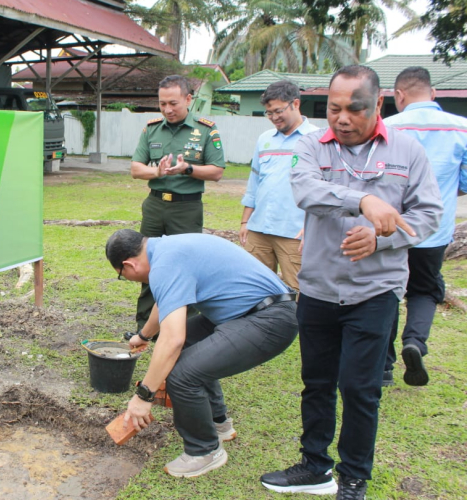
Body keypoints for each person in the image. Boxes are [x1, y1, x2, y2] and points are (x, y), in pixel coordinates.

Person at [260, 65, 443, 500]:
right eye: (334, 108)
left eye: (354, 109)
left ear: (378, 103)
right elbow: (306, 191)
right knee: (317, 383)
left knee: (361, 390)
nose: (342, 119)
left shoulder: (407, 151)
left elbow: (428, 214)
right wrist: (363, 200)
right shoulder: (311, 146)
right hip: (318, 289)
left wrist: (381, 238)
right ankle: (314, 466)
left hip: (374, 292)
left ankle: (354, 478)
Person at [106, 229, 298, 478]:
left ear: (129, 265)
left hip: (270, 320)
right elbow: (165, 303)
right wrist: (143, 336)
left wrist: (143, 396)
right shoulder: (166, 250)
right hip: (248, 311)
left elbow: (173, 340)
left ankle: (204, 451)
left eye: (122, 276)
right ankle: (219, 424)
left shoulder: (165, 264)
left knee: (181, 374)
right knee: (188, 347)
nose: (130, 279)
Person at [381, 66, 467, 387]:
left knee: (387, 291)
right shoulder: (461, 128)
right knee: (425, 290)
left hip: (389, 229)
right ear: (433, 93)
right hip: (434, 230)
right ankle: (415, 342)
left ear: (399, 95)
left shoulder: (387, 127)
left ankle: (384, 366)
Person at [129, 75, 226, 332]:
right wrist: (157, 172)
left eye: (173, 103)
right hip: (155, 206)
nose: (167, 109)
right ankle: (145, 326)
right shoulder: (152, 129)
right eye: (162, 104)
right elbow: (136, 169)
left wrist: (187, 169)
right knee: (148, 262)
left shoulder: (205, 130)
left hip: (186, 208)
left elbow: (217, 171)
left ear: (188, 99)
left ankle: (184, 328)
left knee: (185, 266)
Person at [240, 80, 318, 290]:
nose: (274, 117)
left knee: (298, 290)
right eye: (269, 113)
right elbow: (255, 182)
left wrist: (312, 227)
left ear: (296, 104)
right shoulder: (265, 139)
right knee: (254, 288)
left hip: (294, 232)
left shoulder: (316, 139)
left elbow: (324, 189)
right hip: (259, 229)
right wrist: (245, 222)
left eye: (278, 111)